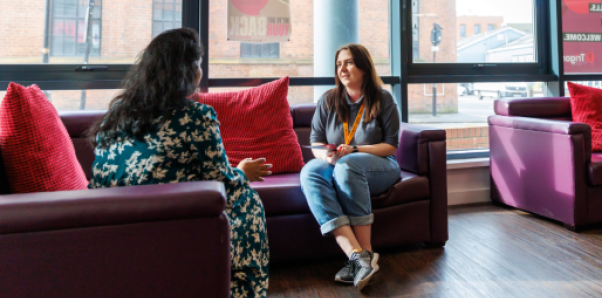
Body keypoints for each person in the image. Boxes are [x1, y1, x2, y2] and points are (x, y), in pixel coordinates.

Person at [87, 28, 271, 298]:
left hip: (110, 227)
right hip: (171, 226)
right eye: (198, 64)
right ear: (187, 71)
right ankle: (244, 292)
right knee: (247, 200)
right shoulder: (196, 116)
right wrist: (242, 173)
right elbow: (222, 185)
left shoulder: (117, 113)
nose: (200, 72)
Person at [300, 43, 401, 291]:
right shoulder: (328, 100)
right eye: (338, 64)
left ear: (364, 68)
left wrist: (355, 150)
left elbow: (391, 147)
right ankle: (358, 257)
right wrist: (328, 157)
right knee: (310, 171)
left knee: (347, 167)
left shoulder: (383, 98)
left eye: (349, 62)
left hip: (381, 166)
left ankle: (365, 252)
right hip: (339, 163)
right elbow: (316, 144)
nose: (342, 68)